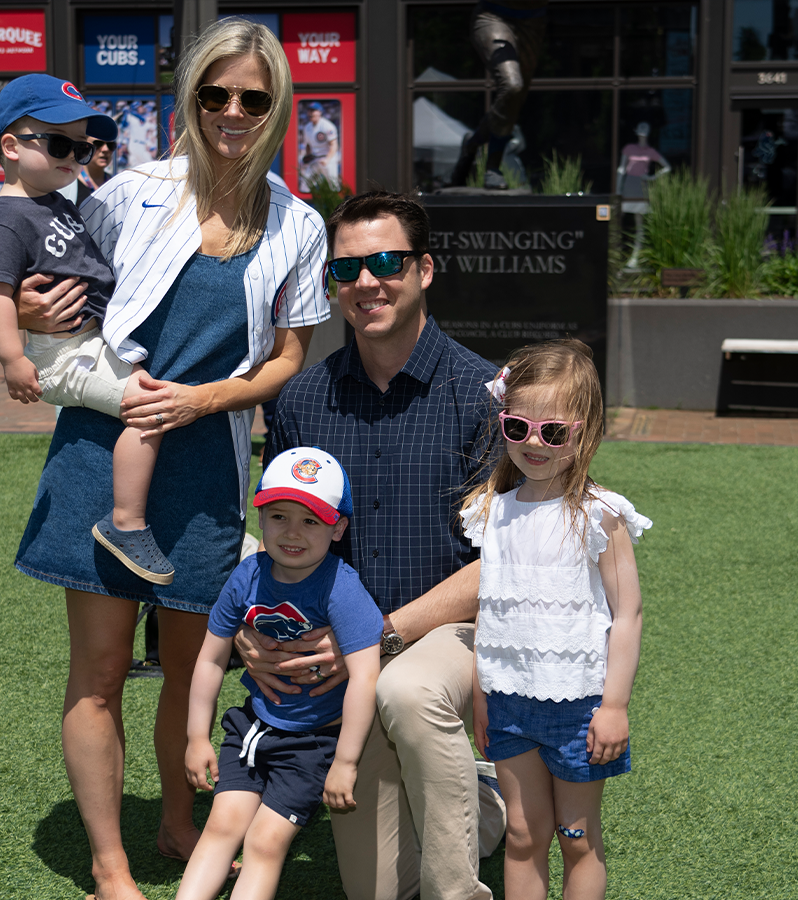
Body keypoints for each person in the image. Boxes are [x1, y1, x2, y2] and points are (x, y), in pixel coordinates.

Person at [10, 18, 329, 900]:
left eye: (252, 99)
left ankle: (178, 822)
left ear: (277, 110)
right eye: (214, 94)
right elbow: (45, 284)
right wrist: (35, 318)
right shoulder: (125, 193)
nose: (232, 111)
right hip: (102, 452)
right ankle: (110, 865)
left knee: (193, 670)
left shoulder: (299, 226)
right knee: (102, 669)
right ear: (188, 99)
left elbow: (288, 359)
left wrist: (201, 400)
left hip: (207, 467)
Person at [254, 190, 507, 900]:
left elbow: (504, 562)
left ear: (424, 269)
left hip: (449, 640)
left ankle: (460, 890)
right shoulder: (302, 401)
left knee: (406, 686)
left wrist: (383, 637)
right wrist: (256, 633)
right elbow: (283, 540)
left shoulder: (483, 395)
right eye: (348, 270)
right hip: (347, 658)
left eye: (388, 262)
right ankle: (481, 803)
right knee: (376, 889)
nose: (367, 283)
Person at [461, 339, 650, 900]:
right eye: (518, 428)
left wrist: (614, 706)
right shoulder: (490, 511)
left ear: (585, 430)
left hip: (580, 706)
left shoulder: (600, 515)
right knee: (521, 832)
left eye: (554, 432)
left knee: (577, 838)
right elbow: (489, 614)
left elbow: (629, 614)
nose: (534, 444)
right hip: (508, 703)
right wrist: (480, 697)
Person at [0, 75, 179, 583]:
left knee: (151, 394)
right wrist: (12, 359)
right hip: (61, 353)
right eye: (60, 143)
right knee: (148, 407)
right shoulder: (8, 219)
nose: (76, 156)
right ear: (11, 147)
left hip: (87, 341)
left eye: (84, 146)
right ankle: (126, 523)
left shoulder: (59, 204)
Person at [178, 447, 383, 900]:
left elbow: (365, 678)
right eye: (278, 516)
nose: (292, 532)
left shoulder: (342, 588)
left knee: (265, 842)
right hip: (252, 727)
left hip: (313, 742)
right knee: (222, 826)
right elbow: (211, 658)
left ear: (338, 528)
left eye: (310, 521)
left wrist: (345, 763)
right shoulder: (246, 575)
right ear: (261, 519)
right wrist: (196, 738)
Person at [450, 0, 548, 190]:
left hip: (533, 22)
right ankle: (492, 167)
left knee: (514, 100)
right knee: (512, 86)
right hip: (494, 16)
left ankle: (474, 142)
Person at [298, 102, 340, 191]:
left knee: (333, 186)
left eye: (313, 110)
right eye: (309, 110)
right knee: (305, 185)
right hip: (315, 158)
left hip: (328, 158)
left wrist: (327, 160)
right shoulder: (307, 127)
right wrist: (308, 156)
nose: (311, 113)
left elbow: (334, 145)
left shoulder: (327, 126)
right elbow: (308, 145)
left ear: (320, 112)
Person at [76, 138, 115, 203]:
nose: (106, 149)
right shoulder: (69, 184)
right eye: (98, 144)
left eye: (110, 145)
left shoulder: (115, 184)